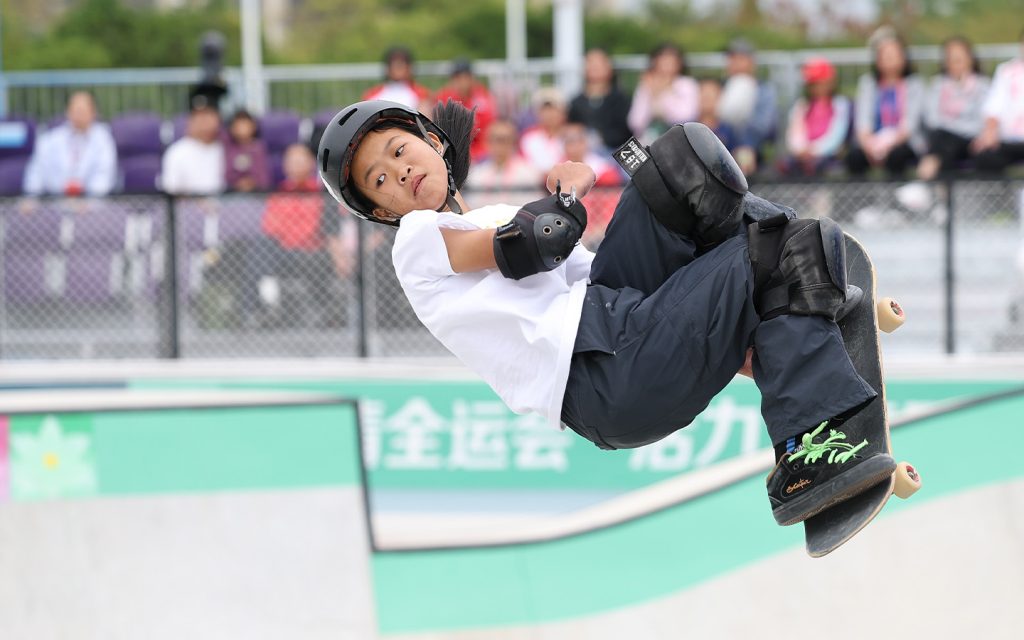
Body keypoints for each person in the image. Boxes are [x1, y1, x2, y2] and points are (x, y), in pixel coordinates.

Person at [316, 99, 893, 527]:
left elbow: (605, 278)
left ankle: (798, 289)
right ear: (381, 212)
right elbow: (532, 243)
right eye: (380, 182)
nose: (400, 175)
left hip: (617, 315)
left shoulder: (488, 209)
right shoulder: (417, 240)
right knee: (777, 248)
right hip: (602, 373)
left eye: (398, 152)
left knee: (683, 163)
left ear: (431, 139)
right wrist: (572, 189)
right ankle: (807, 453)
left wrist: (761, 342)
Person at [242, 143, 350, 328]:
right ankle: (259, 307)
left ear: (310, 163)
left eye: (300, 160)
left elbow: (328, 230)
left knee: (309, 259)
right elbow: (271, 229)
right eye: (291, 160)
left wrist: (297, 237)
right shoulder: (278, 194)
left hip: (314, 252)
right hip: (284, 253)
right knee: (260, 247)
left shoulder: (323, 194)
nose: (295, 164)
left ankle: (273, 301)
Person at [846, 28, 925, 177]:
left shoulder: (914, 85)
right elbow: (863, 120)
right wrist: (870, 145)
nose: (890, 59)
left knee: (897, 156)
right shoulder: (868, 84)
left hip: (902, 143)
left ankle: (894, 198)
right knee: (854, 157)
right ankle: (861, 199)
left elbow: (909, 125)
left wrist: (887, 145)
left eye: (894, 55)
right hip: (871, 143)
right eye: (885, 55)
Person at [915, 37, 991, 181]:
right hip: (942, 139)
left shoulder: (983, 86)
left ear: (971, 59)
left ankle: (926, 183)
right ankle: (945, 197)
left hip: (970, 141)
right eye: (951, 58)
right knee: (944, 145)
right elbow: (932, 119)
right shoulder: (937, 84)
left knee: (942, 143)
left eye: (960, 58)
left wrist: (952, 126)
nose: (956, 63)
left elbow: (980, 122)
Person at [22, 91, 117, 197]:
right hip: (55, 204)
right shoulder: (50, 139)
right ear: (67, 112)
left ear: (93, 113)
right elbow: (37, 171)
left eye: (82, 111)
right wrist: (31, 199)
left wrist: (89, 201)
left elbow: (104, 175)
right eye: (75, 110)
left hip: (94, 207)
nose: (78, 115)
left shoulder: (104, 139)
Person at [780, 58, 852, 176]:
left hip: (828, 157)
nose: (817, 87)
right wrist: (801, 150)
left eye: (819, 82)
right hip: (802, 157)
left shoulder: (840, 105)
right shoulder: (802, 106)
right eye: (813, 83)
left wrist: (815, 151)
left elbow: (836, 136)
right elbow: (794, 134)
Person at [717, 38, 778, 176]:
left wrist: (744, 144)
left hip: (753, 152)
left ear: (752, 62)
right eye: (731, 59)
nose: (734, 64)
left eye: (740, 59)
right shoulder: (721, 87)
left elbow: (764, 126)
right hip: (721, 149)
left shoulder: (764, 90)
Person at [972, 28, 1024, 174]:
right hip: (1007, 139)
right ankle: (999, 197)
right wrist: (990, 131)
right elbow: (993, 107)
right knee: (985, 156)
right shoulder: (1007, 71)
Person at [627, 43, 699, 145]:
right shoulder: (646, 86)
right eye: (663, 59)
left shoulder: (687, 84)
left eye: (671, 60)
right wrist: (651, 94)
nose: (666, 64)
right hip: (647, 143)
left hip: (679, 143)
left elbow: (686, 117)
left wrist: (661, 95)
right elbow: (635, 122)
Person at [464, 119, 543, 207]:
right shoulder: (475, 174)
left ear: (514, 143)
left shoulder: (529, 173)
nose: (499, 145)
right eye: (494, 139)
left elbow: (533, 206)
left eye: (504, 140)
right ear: (487, 143)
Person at [161, 91, 225, 195]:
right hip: (188, 209)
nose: (204, 121)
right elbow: (171, 192)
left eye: (208, 115)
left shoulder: (228, 148)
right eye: (198, 116)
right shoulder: (177, 152)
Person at [568, 47, 633, 151]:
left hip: (617, 154)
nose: (595, 67)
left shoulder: (622, 100)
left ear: (609, 67)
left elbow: (627, 131)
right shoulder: (576, 103)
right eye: (590, 62)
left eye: (599, 62)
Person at [434, 59, 498, 162]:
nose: (462, 82)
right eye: (458, 78)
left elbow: (487, 131)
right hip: (452, 149)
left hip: (480, 151)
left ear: (472, 78)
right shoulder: (444, 97)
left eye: (466, 77)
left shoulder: (483, 97)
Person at [362, 46, 432, 113]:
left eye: (401, 64)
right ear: (388, 67)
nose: (398, 68)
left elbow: (425, 119)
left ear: (408, 67)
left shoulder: (422, 93)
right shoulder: (372, 94)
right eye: (395, 64)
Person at [520, 87, 569, 174]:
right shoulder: (528, 137)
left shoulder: (571, 136)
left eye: (553, 109)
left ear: (563, 112)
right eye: (544, 109)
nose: (549, 114)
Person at [224, 109, 272, 192]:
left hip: (256, 194)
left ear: (253, 126)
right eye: (238, 125)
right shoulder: (229, 148)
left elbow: (264, 177)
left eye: (245, 124)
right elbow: (227, 176)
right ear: (232, 128)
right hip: (233, 195)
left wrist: (252, 183)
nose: (242, 128)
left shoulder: (259, 148)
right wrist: (237, 184)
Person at [696, 77, 740, 152]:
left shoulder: (729, 129)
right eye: (703, 92)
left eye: (711, 93)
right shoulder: (685, 128)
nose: (707, 96)